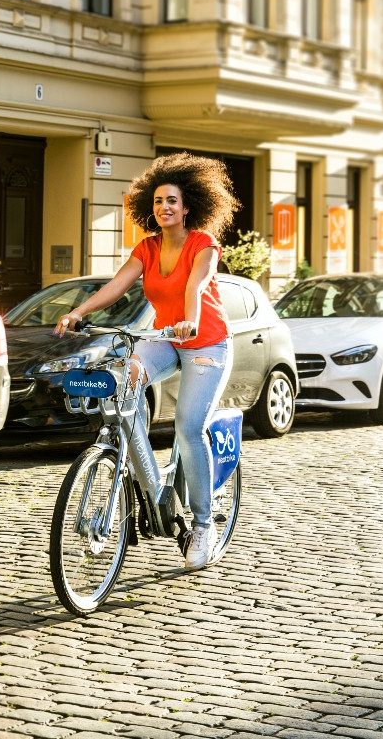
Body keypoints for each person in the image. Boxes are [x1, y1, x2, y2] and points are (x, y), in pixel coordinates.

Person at [53, 152, 239, 570]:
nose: (164, 207)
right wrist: (78, 313)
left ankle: (204, 525)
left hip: (205, 342)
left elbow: (198, 282)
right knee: (124, 387)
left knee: (189, 428)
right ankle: (149, 483)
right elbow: (118, 285)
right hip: (165, 338)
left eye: (172, 200)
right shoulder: (148, 247)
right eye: (157, 201)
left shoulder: (202, 243)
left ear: (188, 206)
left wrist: (190, 319)